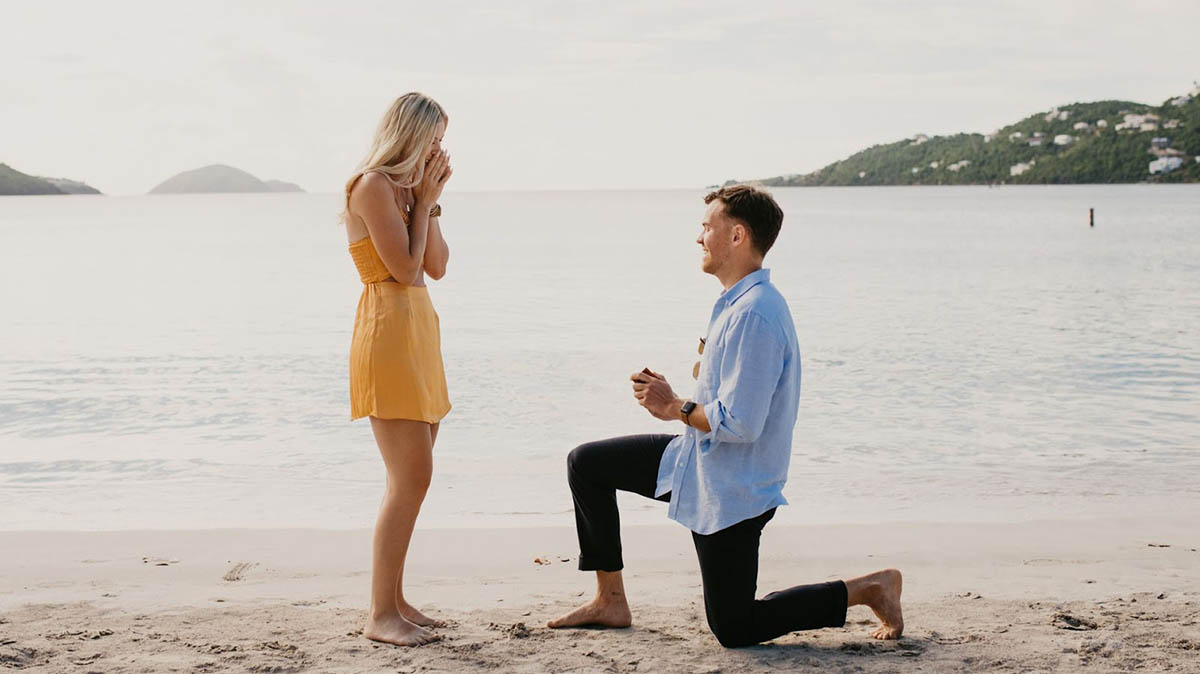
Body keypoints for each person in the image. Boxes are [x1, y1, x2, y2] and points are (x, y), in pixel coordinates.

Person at [547, 185, 904, 647]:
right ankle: (610, 600)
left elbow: (741, 424)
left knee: (734, 627)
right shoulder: (738, 303)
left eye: (706, 227)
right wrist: (680, 393)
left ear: (737, 236)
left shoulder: (754, 314)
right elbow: (728, 396)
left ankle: (868, 588)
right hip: (696, 460)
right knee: (588, 464)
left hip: (733, 488)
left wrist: (674, 404)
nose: (699, 238)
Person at [342, 92, 453, 647]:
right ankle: (379, 613)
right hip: (386, 331)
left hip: (417, 332)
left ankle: (396, 600)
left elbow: (436, 265)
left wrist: (428, 203)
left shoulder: (409, 191)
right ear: (409, 134)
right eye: (433, 139)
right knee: (411, 478)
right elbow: (405, 271)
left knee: (413, 477)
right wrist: (424, 198)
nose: (440, 149)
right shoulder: (371, 186)